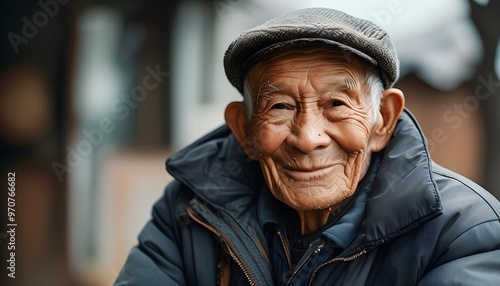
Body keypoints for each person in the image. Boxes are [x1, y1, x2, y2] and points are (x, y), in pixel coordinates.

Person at [115, 8, 500, 285]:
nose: (307, 138)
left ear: (383, 119)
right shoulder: (189, 210)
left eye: (336, 105)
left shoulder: (464, 233)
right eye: (280, 107)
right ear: (244, 128)